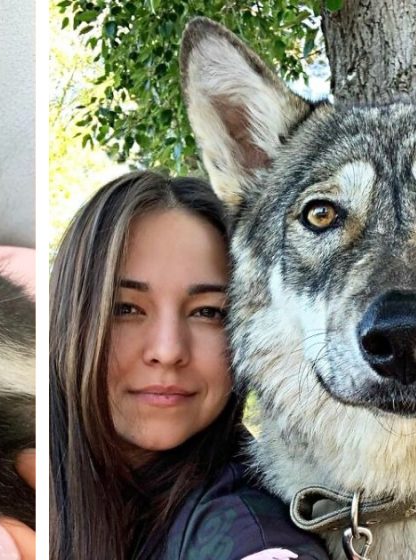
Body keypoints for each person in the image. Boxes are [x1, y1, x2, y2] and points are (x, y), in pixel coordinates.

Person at [50, 171, 329, 560]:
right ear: (71, 318)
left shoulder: (246, 522)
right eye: (125, 308)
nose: (167, 351)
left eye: (208, 312)